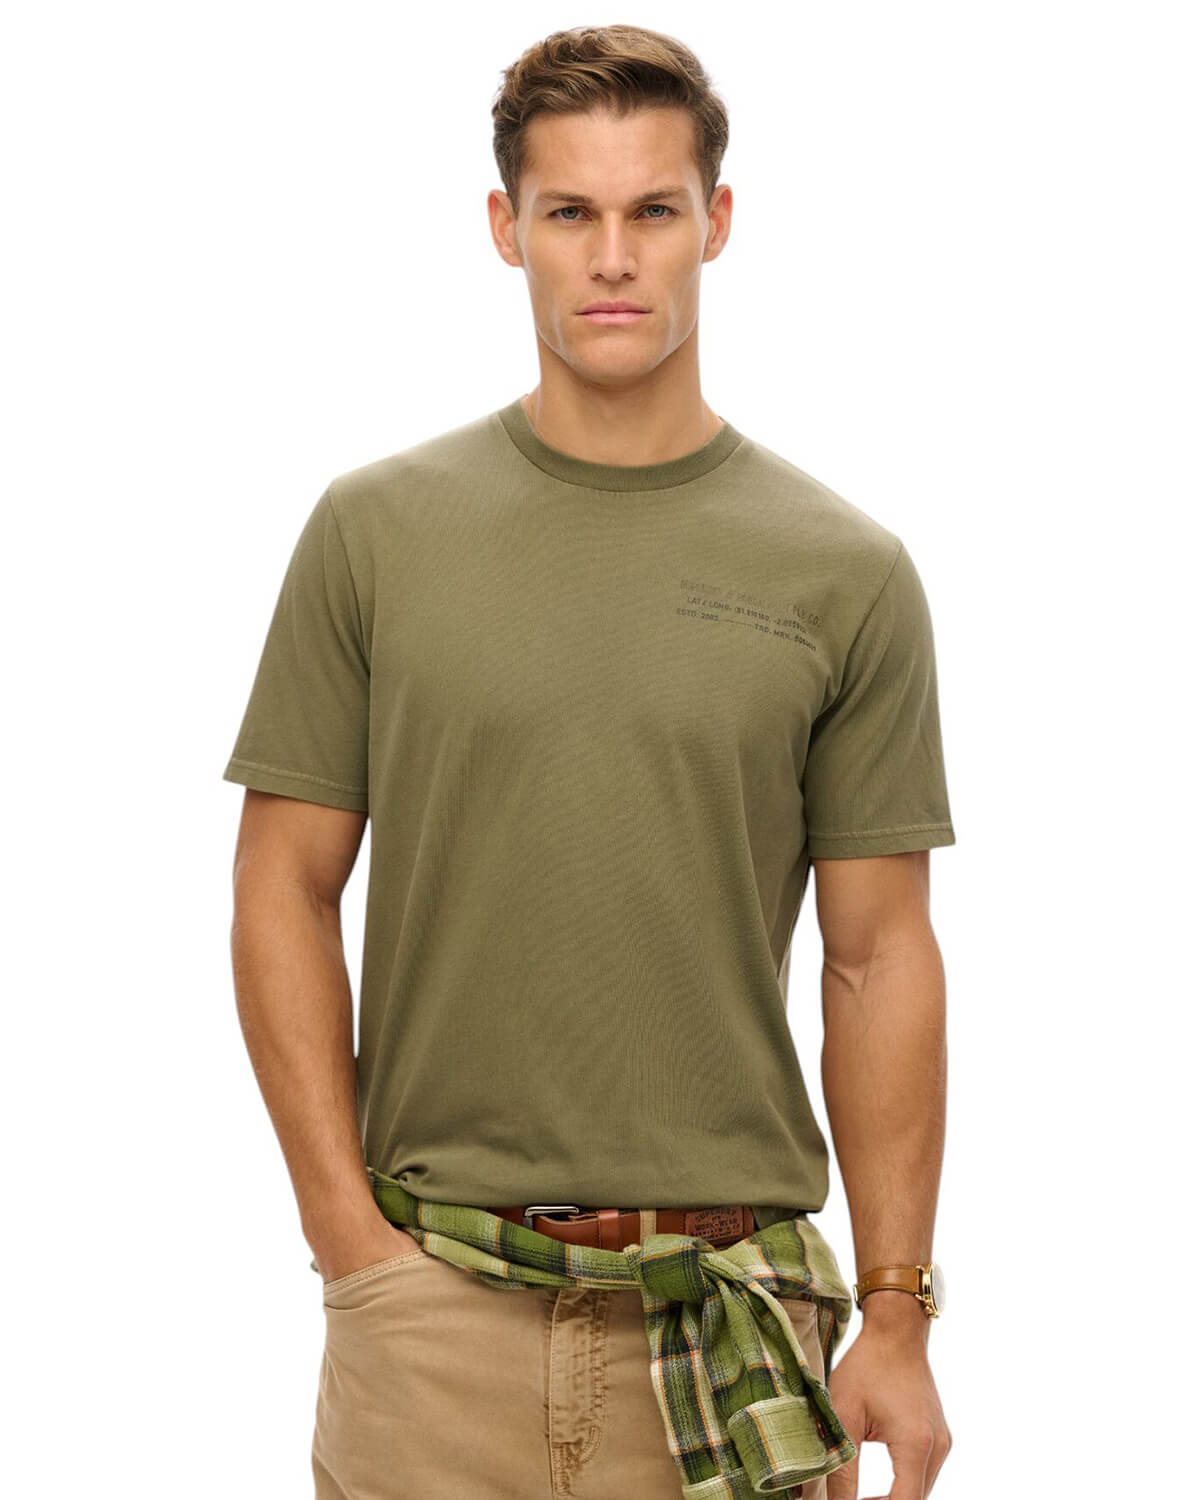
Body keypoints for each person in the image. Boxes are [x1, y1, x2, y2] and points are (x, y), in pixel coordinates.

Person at [222, 22, 955, 1500]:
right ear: (507, 229)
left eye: (652, 210)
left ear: (715, 223)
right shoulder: (374, 534)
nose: (612, 258)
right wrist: (348, 1242)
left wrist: (896, 1313)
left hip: (735, 1319)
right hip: (431, 1322)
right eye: (570, 211)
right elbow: (280, 889)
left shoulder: (847, 571)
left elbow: (878, 954)